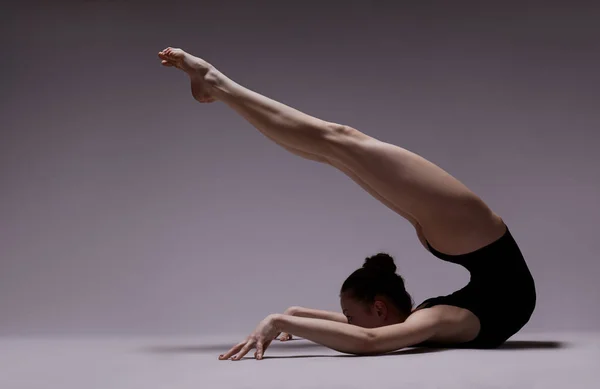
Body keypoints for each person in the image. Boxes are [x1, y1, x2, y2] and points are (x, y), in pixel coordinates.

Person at [157, 47, 537, 361]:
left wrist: (295, 316)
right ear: (380, 309)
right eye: (352, 317)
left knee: (332, 151)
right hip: (476, 234)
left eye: (348, 317)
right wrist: (277, 321)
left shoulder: (425, 320)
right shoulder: (437, 319)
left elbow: (358, 329)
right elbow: (368, 342)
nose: (347, 323)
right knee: (340, 140)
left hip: (466, 243)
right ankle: (217, 84)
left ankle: (219, 90)